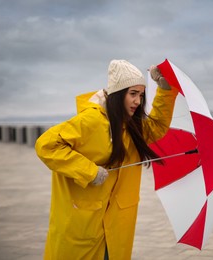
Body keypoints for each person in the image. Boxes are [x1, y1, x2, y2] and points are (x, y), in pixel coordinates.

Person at [35, 59, 178, 259]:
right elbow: (46, 145)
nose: (138, 101)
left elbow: (156, 128)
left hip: (117, 225)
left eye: (141, 95)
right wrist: (88, 171)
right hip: (83, 223)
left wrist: (163, 89)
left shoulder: (130, 126)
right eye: (133, 94)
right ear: (117, 95)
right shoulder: (91, 121)